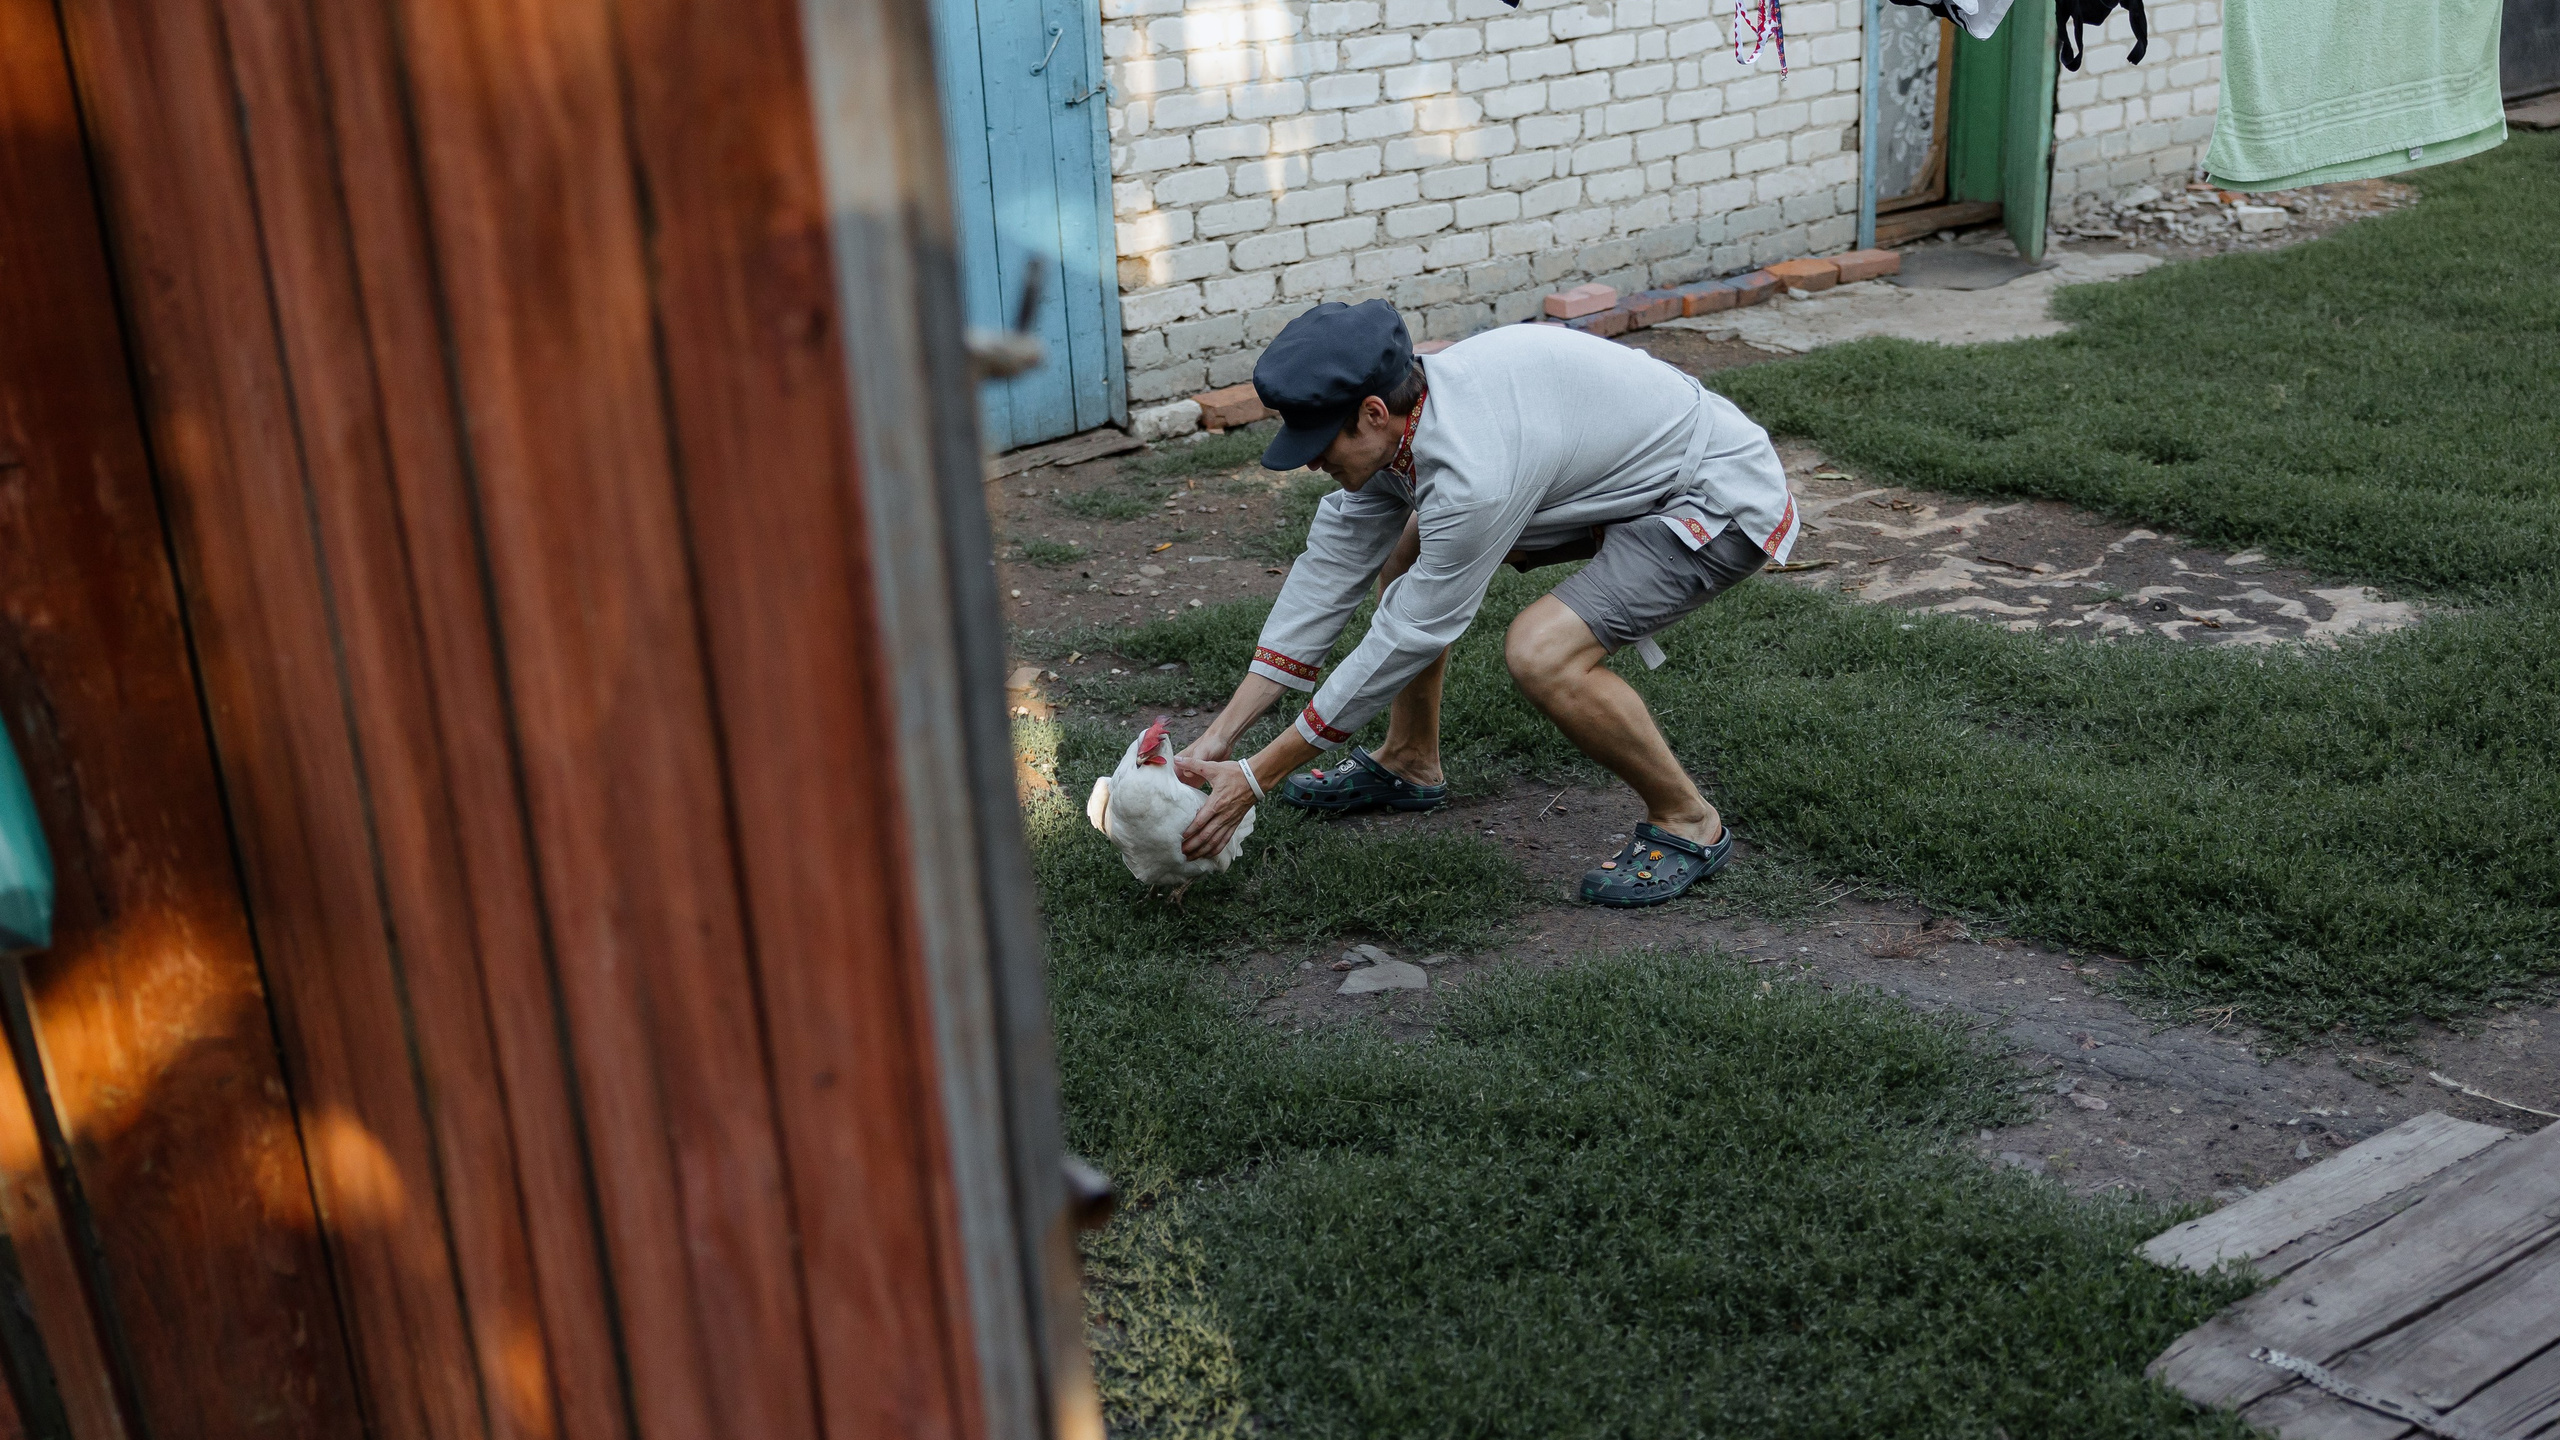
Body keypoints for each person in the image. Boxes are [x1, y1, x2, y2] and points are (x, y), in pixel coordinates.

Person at [1172, 298, 1800, 907]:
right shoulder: (1405, 419)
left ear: (1371, 413)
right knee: (1409, 555)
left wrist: (1260, 775)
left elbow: (1406, 633)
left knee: (1542, 652)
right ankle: (1410, 760)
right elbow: (1327, 576)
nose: (1309, 460)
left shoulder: (1472, 473)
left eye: (1318, 440)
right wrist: (1222, 737)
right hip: (1615, 478)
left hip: (1712, 500)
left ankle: (1688, 820)